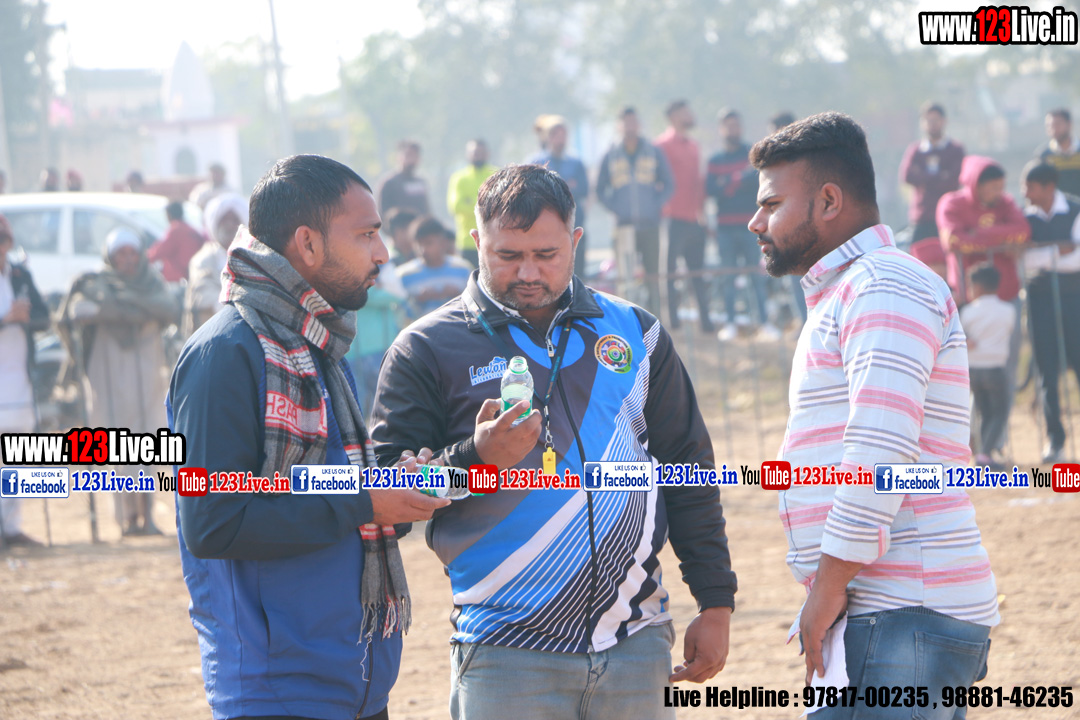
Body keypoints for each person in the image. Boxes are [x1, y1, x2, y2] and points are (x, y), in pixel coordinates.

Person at [370, 164, 736, 720]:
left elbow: (688, 468)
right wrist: (475, 459)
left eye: (546, 254)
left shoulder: (636, 332)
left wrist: (715, 600)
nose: (528, 273)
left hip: (636, 644)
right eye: (507, 255)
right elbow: (385, 500)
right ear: (476, 243)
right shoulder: (424, 348)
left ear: (576, 240)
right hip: (504, 653)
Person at [168, 154, 448, 720]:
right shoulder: (224, 355)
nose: (382, 252)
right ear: (308, 243)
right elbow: (212, 522)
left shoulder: (318, 346)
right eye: (366, 234)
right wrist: (364, 500)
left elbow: (335, 494)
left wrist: (401, 489)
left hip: (357, 682)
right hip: (275, 692)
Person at [749, 112, 998, 713]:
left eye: (772, 204)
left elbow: (880, 452)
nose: (756, 222)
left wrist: (828, 586)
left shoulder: (883, 285)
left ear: (829, 201)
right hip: (885, 610)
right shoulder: (855, 289)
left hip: (904, 608)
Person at [57, 228, 178, 536]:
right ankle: (126, 519)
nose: (127, 259)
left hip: (147, 376)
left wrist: (111, 310)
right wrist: (129, 311)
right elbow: (75, 311)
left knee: (148, 445)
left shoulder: (152, 284)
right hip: (109, 375)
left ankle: (148, 515)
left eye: (132, 253)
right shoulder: (94, 284)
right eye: (120, 253)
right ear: (110, 257)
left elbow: (167, 308)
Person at [937, 156, 1030, 452]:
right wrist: (1001, 239)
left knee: (1005, 368)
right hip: (968, 300)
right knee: (965, 374)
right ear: (976, 184)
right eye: (992, 187)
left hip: (1006, 296)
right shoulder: (952, 203)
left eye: (1001, 187)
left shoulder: (1007, 203)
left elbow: (1023, 231)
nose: (998, 193)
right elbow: (954, 240)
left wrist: (977, 236)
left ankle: (994, 441)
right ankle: (967, 440)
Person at [1021, 160, 1080, 463]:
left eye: (1030, 187)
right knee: (1046, 373)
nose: (1025, 193)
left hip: (1075, 301)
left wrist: (1040, 253)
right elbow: (1024, 261)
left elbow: (1077, 260)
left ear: (1048, 187)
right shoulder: (1023, 218)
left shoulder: (1075, 210)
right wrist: (1059, 250)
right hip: (1039, 301)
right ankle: (1055, 440)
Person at [707, 109, 778, 341]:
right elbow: (711, 190)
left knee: (756, 276)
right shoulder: (714, 160)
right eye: (728, 125)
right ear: (721, 129)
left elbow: (757, 182)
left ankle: (764, 323)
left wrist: (729, 182)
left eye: (736, 125)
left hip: (751, 226)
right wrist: (738, 180)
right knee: (728, 277)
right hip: (725, 228)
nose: (733, 129)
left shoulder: (752, 155)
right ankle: (730, 323)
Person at [0, 214, 50, 548]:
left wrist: (26, 315)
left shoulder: (19, 275)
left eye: (3, 239)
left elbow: (44, 315)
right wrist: (6, 319)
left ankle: (11, 526)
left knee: (17, 453)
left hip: (18, 374)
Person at [596, 106, 674, 316]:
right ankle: (628, 321)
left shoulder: (653, 151)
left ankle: (656, 319)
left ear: (639, 124)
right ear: (619, 126)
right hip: (624, 227)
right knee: (626, 278)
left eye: (633, 122)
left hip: (650, 224)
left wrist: (655, 204)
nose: (630, 126)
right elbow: (600, 189)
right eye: (626, 122)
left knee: (653, 275)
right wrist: (616, 208)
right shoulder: (611, 154)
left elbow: (669, 183)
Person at [655, 100, 712, 332]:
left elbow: (699, 183)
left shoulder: (694, 146)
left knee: (698, 272)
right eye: (685, 112)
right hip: (671, 217)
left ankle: (705, 322)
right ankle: (672, 322)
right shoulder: (661, 146)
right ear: (673, 116)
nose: (690, 116)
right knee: (669, 273)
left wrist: (703, 214)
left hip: (694, 218)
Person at [960, 264, 1016, 468]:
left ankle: (983, 455)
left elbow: (962, 337)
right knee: (999, 413)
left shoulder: (967, 312)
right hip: (995, 368)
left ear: (978, 287)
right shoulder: (1008, 310)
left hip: (974, 370)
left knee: (984, 413)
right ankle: (984, 455)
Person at [528, 115, 590, 273]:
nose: (561, 139)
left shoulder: (576, 163)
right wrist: (566, 186)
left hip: (573, 221)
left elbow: (583, 189)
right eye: (556, 134)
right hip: (544, 225)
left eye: (564, 134)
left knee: (577, 269)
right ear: (548, 137)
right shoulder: (536, 162)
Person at [899, 102, 965, 244]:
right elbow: (907, 176)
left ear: (944, 121)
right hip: (922, 217)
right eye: (928, 120)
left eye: (935, 120)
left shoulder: (955, 149)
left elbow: (955, 180)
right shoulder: (915, 150)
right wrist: (940, 176)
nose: (932, 124)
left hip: (949, 217)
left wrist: (923, 177)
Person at [183, 192, 247, 335]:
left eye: (234, 220)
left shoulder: (252, 256)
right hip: (213, 332)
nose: (229, 225)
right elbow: (203, 292)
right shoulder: (203, 259)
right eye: (224, 220)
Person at [397, 216, 472, 318]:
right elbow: (399, 313)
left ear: (443, 243)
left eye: (429, 243)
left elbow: (474, 305)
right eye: (419, 243)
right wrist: (417, 300)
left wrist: (459, 296)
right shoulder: (404, 275)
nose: (423, 249)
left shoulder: (463, 269)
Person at [448, 139, 498, 267]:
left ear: (487, 153)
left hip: (493, 240)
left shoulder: (496, 175)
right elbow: (456, 207)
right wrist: (486, 205)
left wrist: (470, 202)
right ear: (468, 154)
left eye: (480, 152)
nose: (477, 155)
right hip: (467, 241)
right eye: (474, 152)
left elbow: (500, 205)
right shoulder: (459, 178)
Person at [147, 201, 204, 283]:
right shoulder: (191, 229)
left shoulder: (175, 230)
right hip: (194, 275)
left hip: (179, 279)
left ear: (169, 215)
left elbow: (160, 251)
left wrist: (143, 260)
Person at [379, 140, 431, 217]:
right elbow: (383, 213)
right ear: (399, 156)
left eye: (415, 155)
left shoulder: (421, 182)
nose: (412, 159)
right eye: (408, 155)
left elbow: (426, 211)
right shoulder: (389, 183)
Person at [1039, 108, 1080, 197]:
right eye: (1049, 125)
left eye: (1057, 124)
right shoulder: (1043, 156)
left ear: (1069, 124)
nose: (1053, 129)